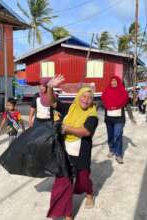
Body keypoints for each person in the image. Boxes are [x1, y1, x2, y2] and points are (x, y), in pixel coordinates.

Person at [46, 75, 98, 220]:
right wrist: (50, 87)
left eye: (89, 97)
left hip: (82, 152)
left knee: (83, 179)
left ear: (92, 100)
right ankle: (67, 214)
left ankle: (89, 194)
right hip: (65, 150)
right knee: (62, 182)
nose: (85, 99)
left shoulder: (92, 115)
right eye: (83, 96)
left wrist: (67, 128)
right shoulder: (70, 107)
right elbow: (53, 103)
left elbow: (86, 131)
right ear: (79, 96)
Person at [101, 76, 136, 164]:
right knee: (110, 136)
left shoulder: (123, 92)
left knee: (118, 135)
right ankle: (111, 149)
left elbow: (127, 106)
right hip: (109, 119)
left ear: (118, 82)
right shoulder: (106, 92)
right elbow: (101, 102)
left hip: (119, 119)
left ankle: (118, 154)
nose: (113, 82)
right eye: (112, 81)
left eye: (115, 81)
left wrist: (131, 117)